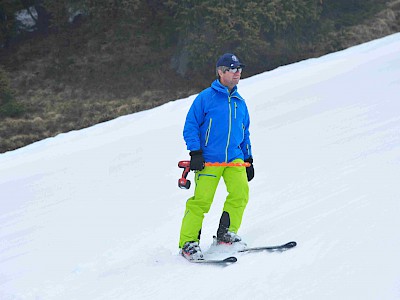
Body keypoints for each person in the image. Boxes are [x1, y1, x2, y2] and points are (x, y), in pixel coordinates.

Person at [179, 53, 254, 260]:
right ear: (221, 72)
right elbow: (190, 127)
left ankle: (226, 234)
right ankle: (188, 243)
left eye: (239, 68)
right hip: (209, 159)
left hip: (235, 158)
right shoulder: (206, 98)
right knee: (201, 202)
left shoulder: (240, 102)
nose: (237, 72)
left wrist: (249, 158)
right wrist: (195, 152)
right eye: (232, 68)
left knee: (240, 193)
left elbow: (244, 132)